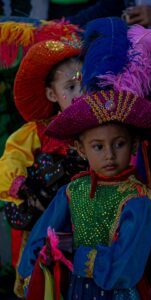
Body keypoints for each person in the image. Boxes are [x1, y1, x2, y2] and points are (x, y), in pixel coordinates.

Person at [17, 17, 151, 299]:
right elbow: (41, 239)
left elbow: (125, 268)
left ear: (134, 145)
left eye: (119, 144)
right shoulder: (72, 191)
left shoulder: (139, 201)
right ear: (80, 149)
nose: (110, 155)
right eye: (98, 147)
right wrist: (33, 266)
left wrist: (79, 257)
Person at [0, 33, 87, 298]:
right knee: (46, 277)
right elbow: (11, 160)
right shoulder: (37, 132)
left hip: (84, 218)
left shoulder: (96, 127)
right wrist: (22, 187)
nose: (79, 93)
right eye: (70, 87)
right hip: (44, 222)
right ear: (51, 93)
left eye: (84, 85)